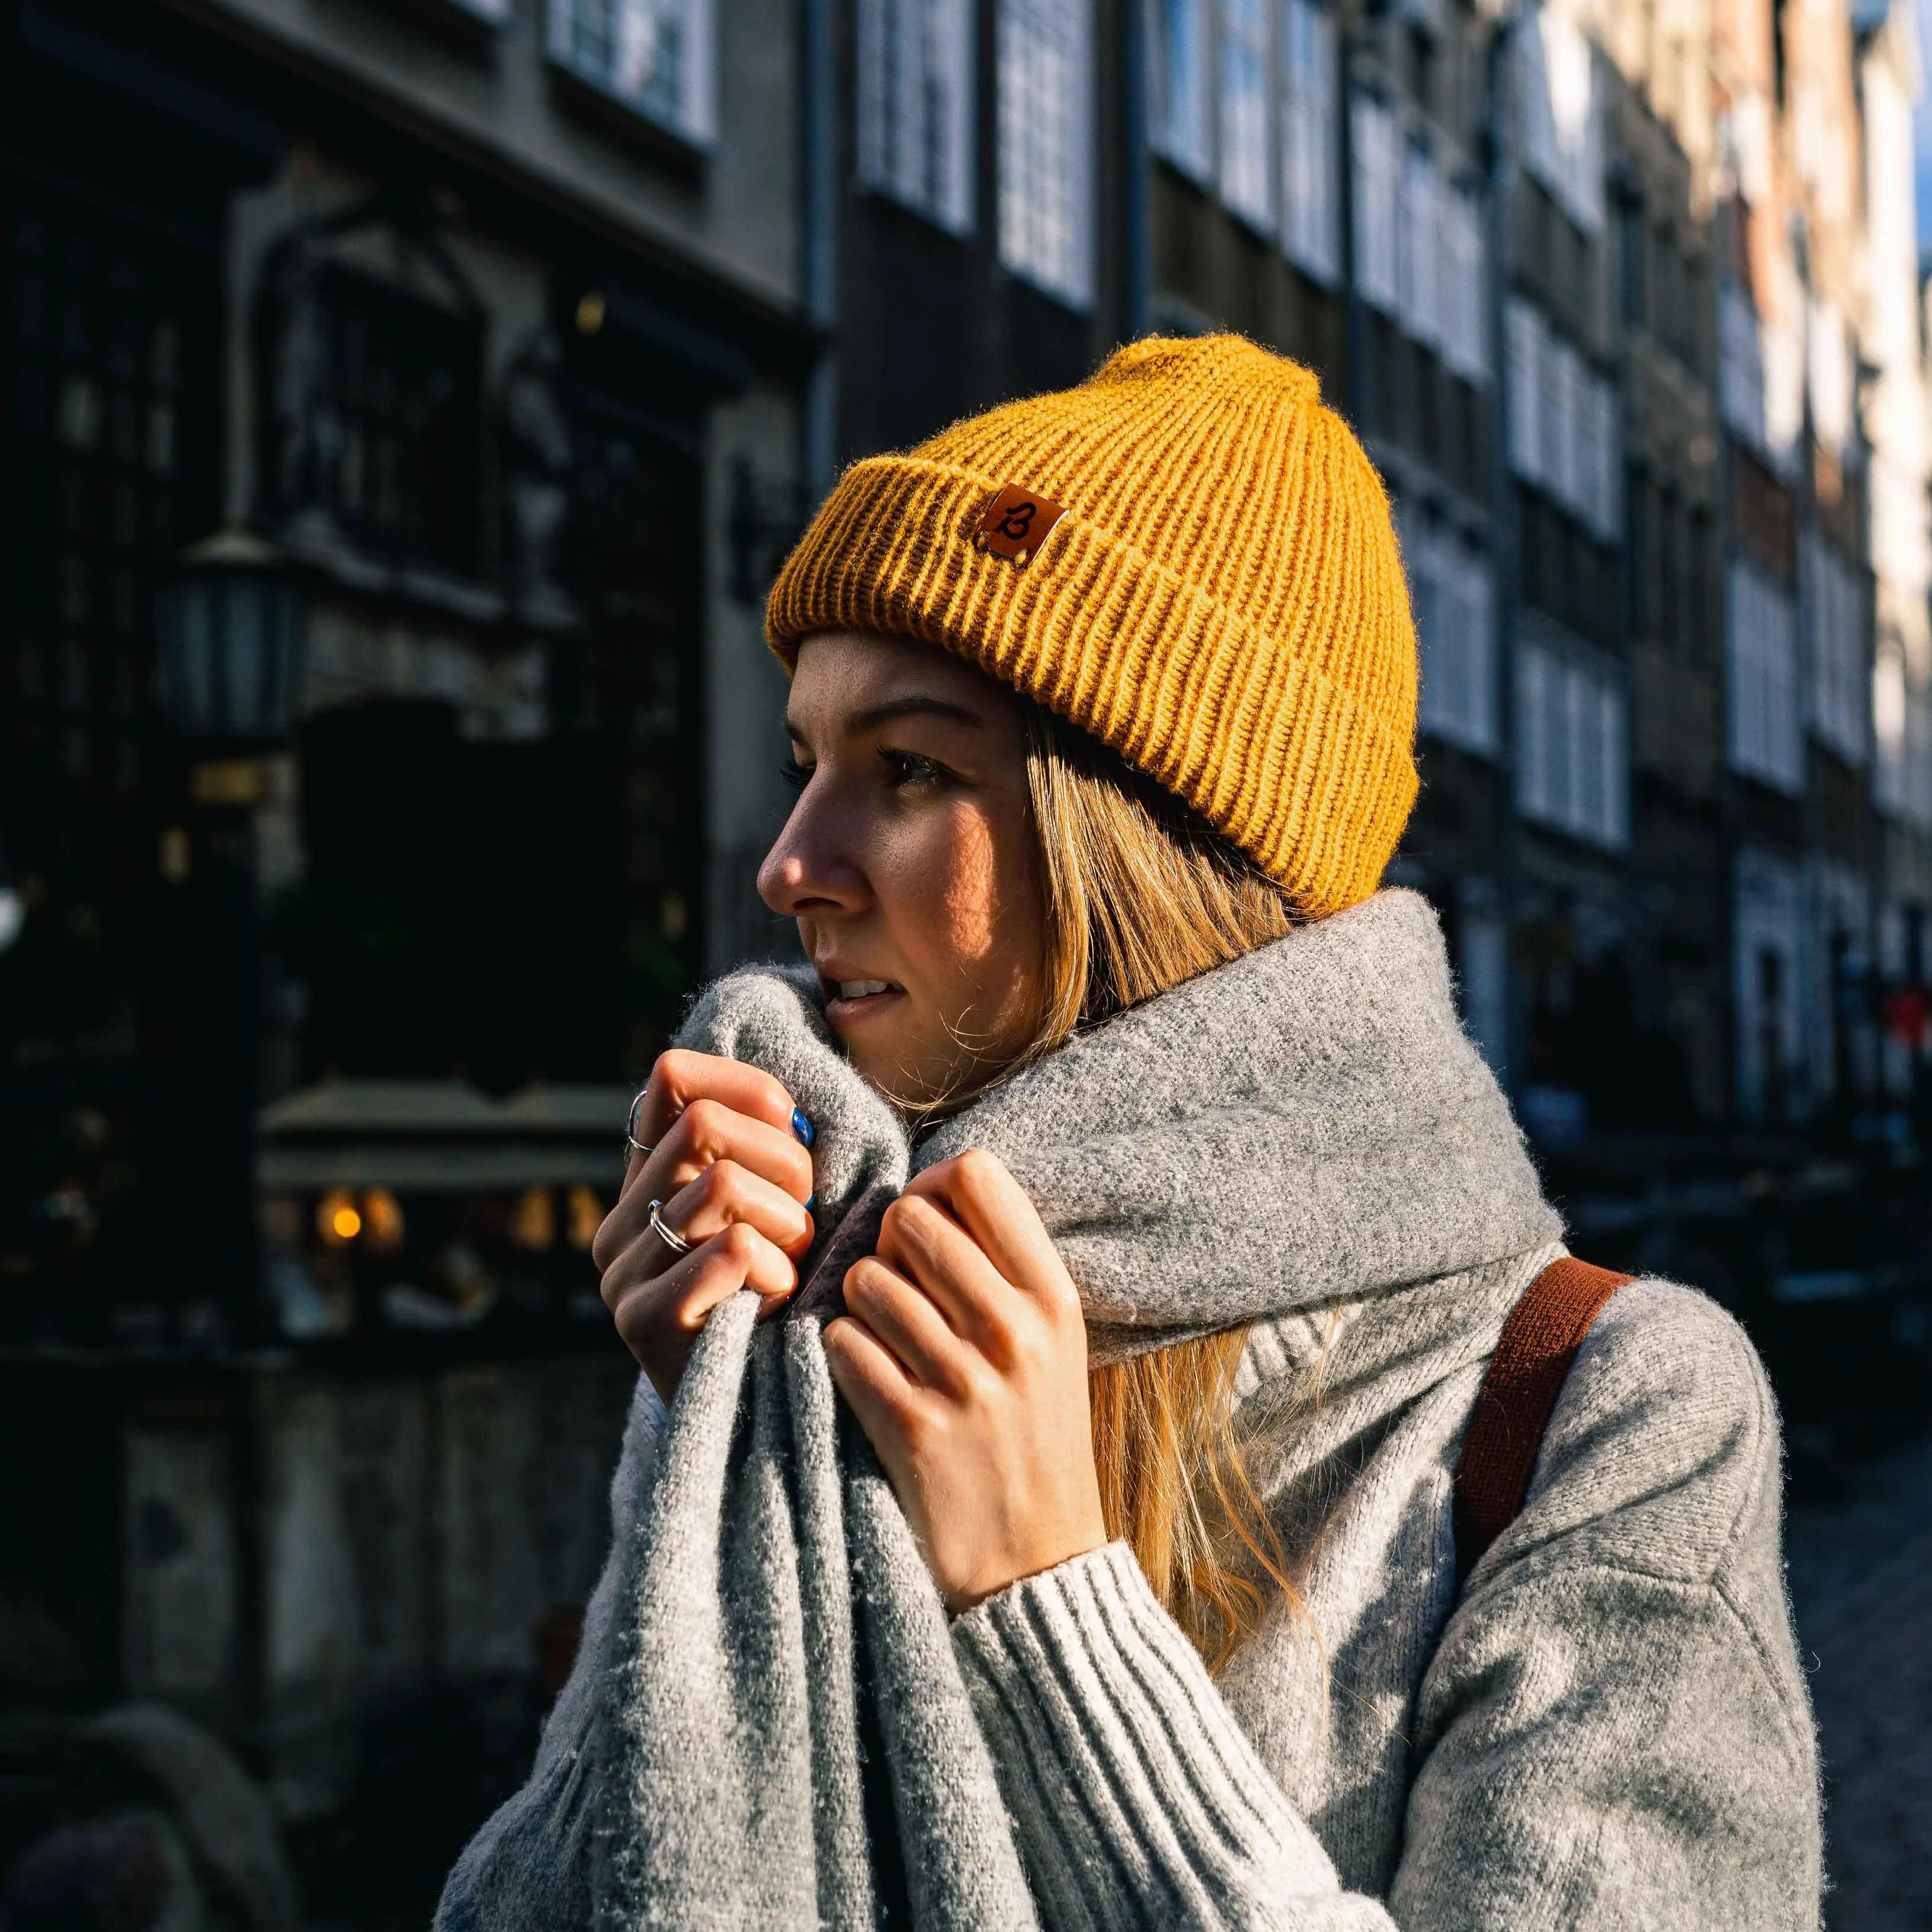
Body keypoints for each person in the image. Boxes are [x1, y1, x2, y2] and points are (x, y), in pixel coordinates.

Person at [444, 336, 1821, 1930]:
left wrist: (1049, 1604)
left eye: (907, 768)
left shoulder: (1603, 1414)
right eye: (801, 762)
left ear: (1157, 845)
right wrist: (722, 1462)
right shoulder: (826, 1294)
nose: (790, 863)